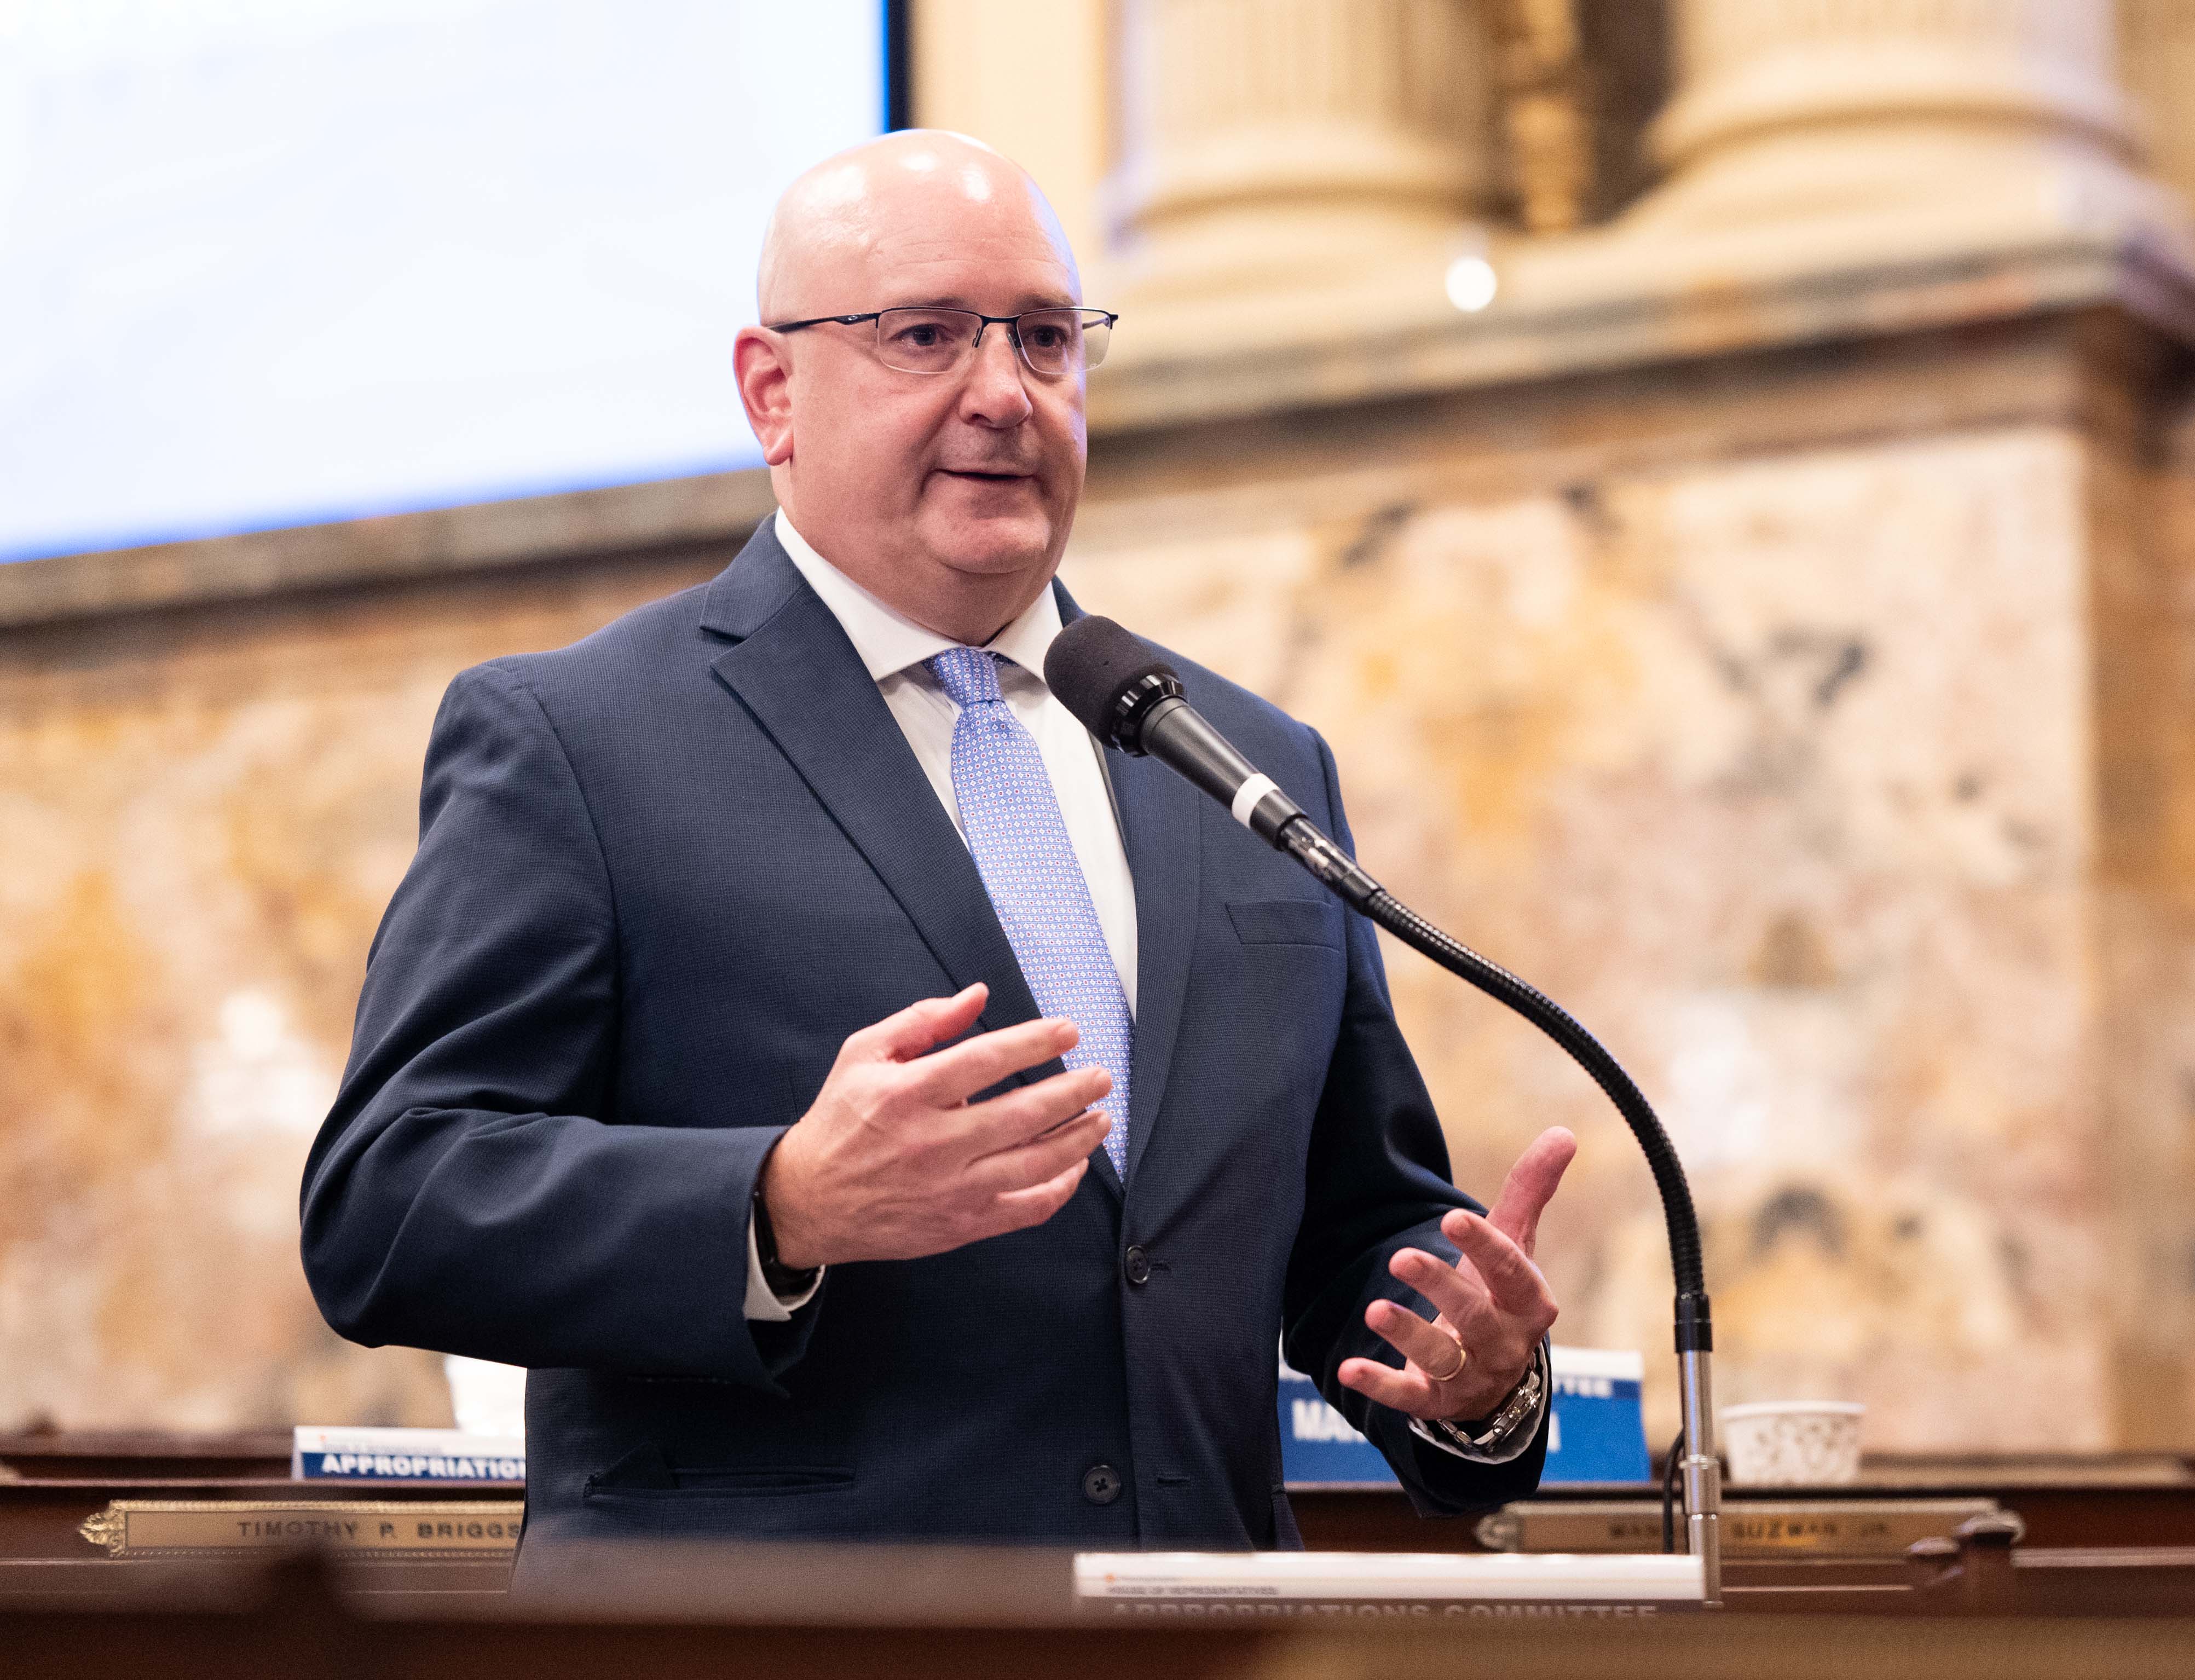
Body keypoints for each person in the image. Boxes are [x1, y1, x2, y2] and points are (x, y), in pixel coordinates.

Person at [301, 131, 1578, 1560]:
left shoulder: (1247, 764)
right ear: (771, 393)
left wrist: (1468, 1374)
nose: (1003, 394)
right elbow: (388, 1201)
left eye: (1044, 339)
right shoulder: (578, 741)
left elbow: (1352, 1228)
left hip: (1199, 1645)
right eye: (923, 336)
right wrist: (775, 1204)